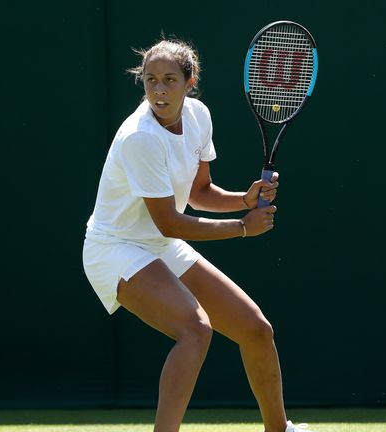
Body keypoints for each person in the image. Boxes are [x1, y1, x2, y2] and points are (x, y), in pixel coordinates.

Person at [82, 37, 315, 432]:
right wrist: (243, 227)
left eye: (170, 79)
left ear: (190, 82)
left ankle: (280, 430)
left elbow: (198, 192)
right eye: (150, 80)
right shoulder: (141, 137)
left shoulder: (198, 116)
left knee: (256, 330)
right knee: (195, 330)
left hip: (159, 244)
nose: (158, 90)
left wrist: (244, 199)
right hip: (115, 248)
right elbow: (170, 222)